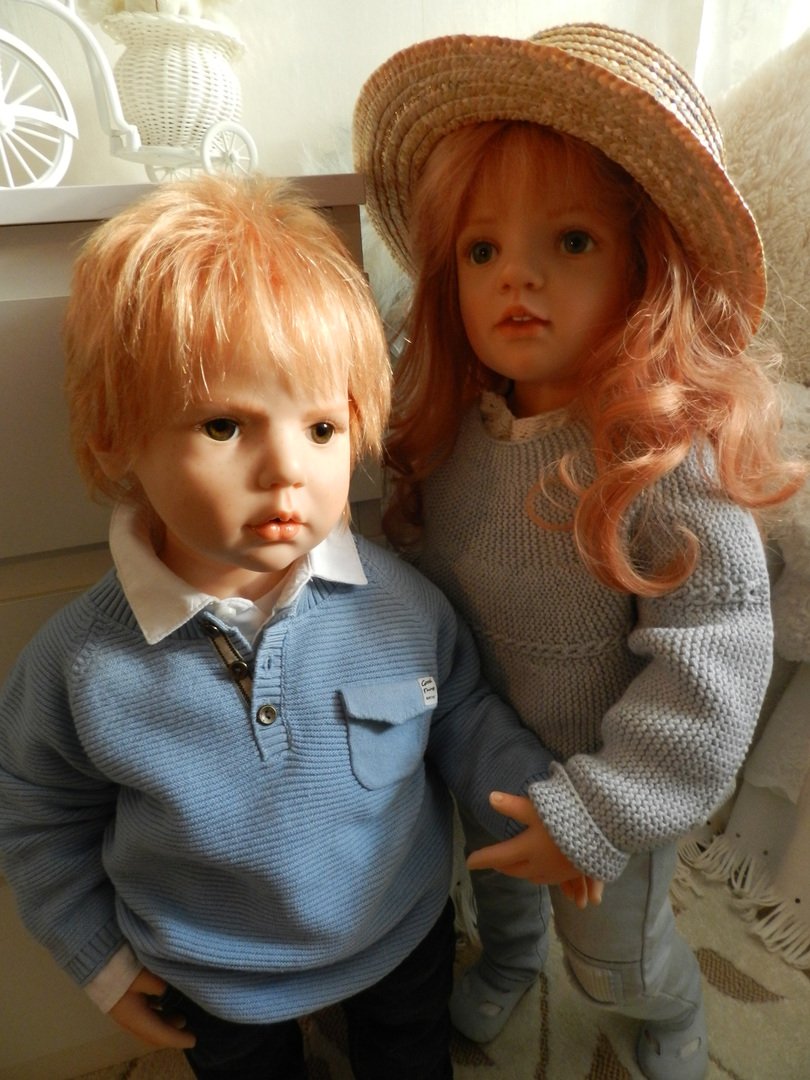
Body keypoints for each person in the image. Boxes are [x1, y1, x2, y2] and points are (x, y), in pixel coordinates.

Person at [0, 175, 597, 1080]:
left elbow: (464, 710)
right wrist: (99, 960)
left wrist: (548, 805)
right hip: (210, 977)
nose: (286, 468)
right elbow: (37, 817)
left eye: (321, 427)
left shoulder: (401, 603)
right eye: (223, 424)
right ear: (119, 435)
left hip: (402, 928)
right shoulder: (81, 665)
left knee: (411, 1060)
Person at [353, 23, 806, 1080]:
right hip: (481, 752)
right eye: (482, 251)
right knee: (497, 890)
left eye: (570, 242)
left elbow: (711, 668)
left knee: (617, 960)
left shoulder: (664, 464)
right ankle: (512, 963)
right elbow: (417, 582)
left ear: (648, 268)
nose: (517, 276)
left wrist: (598, 813)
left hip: (615, 785)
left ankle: (669, 1015)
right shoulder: (456, 432)